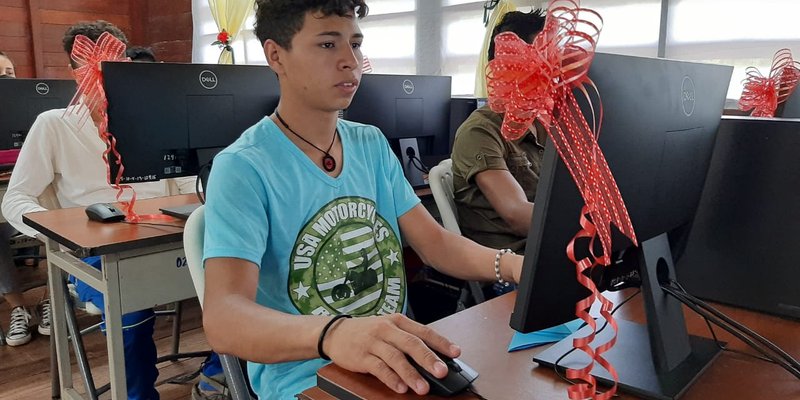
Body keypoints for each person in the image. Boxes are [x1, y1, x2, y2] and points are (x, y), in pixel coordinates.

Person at [201, 1, 525, 398]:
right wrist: (334, 334)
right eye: (327, 45)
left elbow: (435, 244)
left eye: (355, 44)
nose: (350, 61)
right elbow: (224, 318)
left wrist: (513, 266)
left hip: (399, 361)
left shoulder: (369, 143)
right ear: (276, 55)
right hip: (308, 379)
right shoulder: (243, 167)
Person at [1, 20, 224, 400]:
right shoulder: (53, 125)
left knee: (242, 277)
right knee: (130, 311)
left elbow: (190, 183)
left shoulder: (154, 117)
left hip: (165, 235)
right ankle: (138, 395)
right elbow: (15, 200)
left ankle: (217, 376)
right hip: (96, 253)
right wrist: (63, 233)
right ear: (75, 73)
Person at [450, 10, 547, 255]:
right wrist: (590, 224)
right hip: (513, 262)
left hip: (554, 249)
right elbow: (517, 214)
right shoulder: (480, 131)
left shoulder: (546, 126)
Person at [0, 51, 43, 347]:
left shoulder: (36, 115)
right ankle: (18, 307)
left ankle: (52, 300)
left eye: (10, 73)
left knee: (60, 218)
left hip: (35, 197)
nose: (6, 80)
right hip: (6, 207)